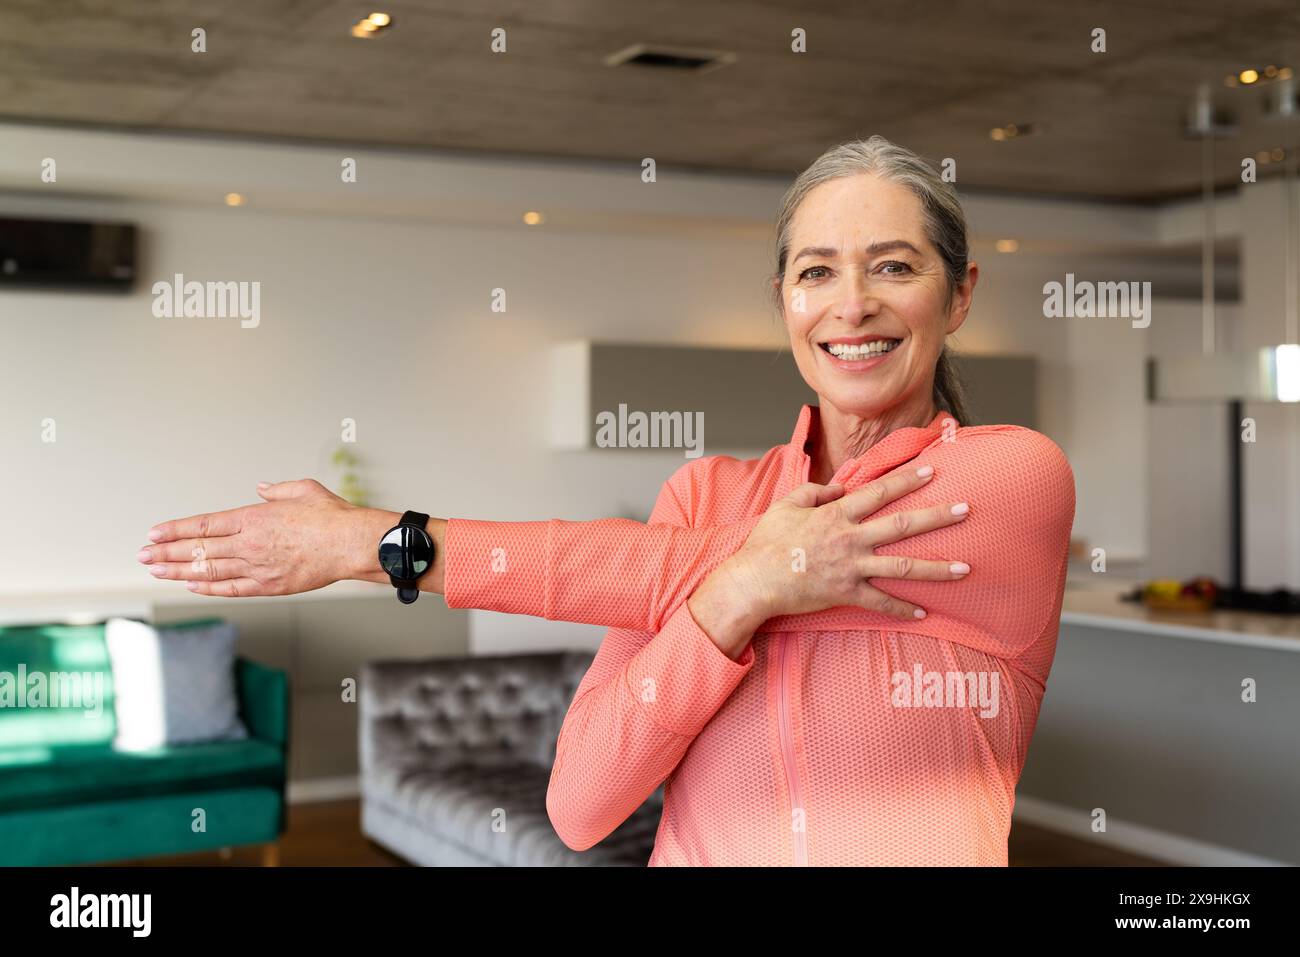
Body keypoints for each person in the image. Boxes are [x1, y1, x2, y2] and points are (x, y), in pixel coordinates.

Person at [138, 135, 1075, 865]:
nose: (853, 304)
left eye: (896, 266)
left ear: (959, 297)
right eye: (817, 270)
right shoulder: (703, 491)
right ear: (785, 299)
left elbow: (655, 566)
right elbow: (580, 807)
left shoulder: (1010, 480)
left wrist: (377, 542)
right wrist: (732, 602)